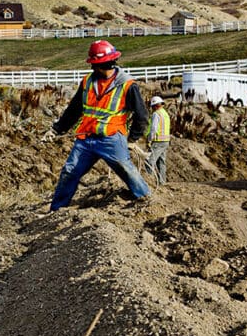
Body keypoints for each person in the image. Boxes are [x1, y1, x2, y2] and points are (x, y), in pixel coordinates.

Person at [48, 40, 151, 210]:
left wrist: (132, 139)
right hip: (86, 139)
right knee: (69, 171)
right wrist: (57, 129)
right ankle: (56, 210)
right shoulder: (88, 81)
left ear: (103, 64)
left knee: (127, 170)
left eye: (95, 64)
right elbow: (74, 109)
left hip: (111, 138)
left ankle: (146, 201)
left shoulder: (127, 84)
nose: (92, 68)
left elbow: (142, 115)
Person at [144, 95, 171, 186]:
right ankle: (162, 182)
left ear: (155, 106)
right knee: (161, 162)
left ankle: (149, 183)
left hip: (158, 141)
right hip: (165, 141)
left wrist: (149, 140)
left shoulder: (156, 114)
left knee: (149, 161)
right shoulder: (165, 113)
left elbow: (154, 129)